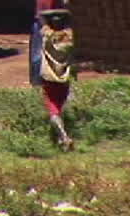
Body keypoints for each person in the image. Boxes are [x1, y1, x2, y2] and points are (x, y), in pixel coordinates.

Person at [38, 8, 75, 151]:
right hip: (64, 78)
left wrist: (46, 18)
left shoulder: (48, 36)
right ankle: (60, 139)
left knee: (53, 109)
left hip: (49, 78)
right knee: (60, 106)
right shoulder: (70, 38)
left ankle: (64, 136)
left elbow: (41, 20)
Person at [29, 0, 69, 86]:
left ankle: (55, 80)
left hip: (54, 24)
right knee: (36, 54)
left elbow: (64, 3)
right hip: (39, 23)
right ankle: (36, 82)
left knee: (54, 52)